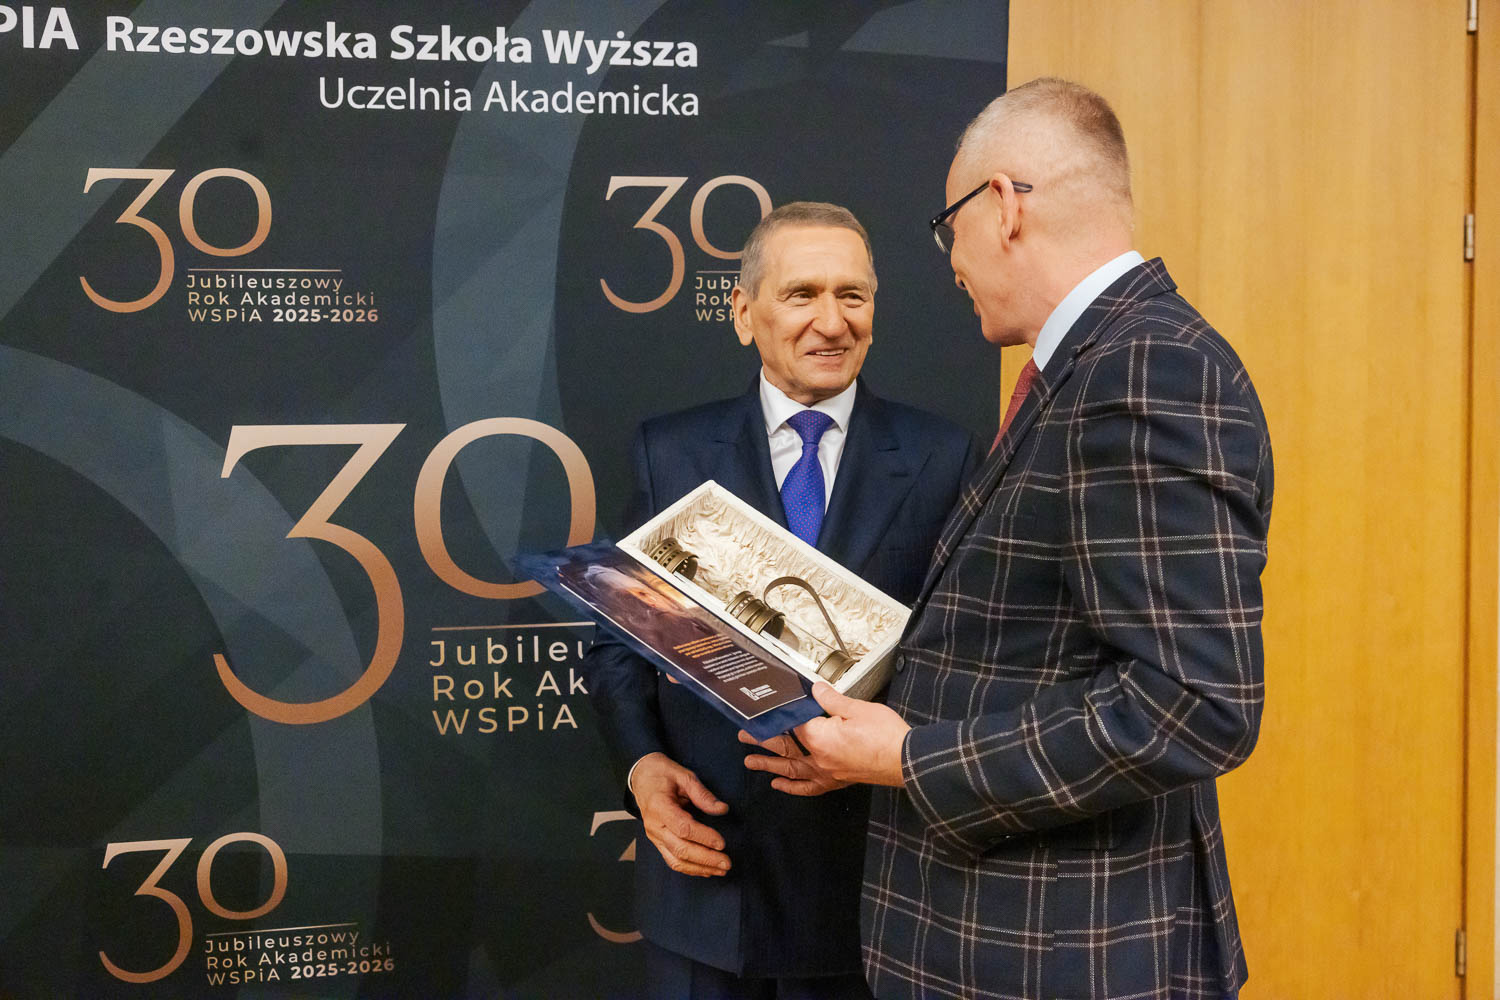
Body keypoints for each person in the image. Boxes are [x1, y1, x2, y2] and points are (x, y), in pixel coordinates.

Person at [746, 79, 1274, 999]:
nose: (951, 261)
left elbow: (1191, 706)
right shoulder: (1091, 366)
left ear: (1002, 205)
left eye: (947, 227)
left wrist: (905, 757)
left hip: (1060, 954)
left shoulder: (1146, 368)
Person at [583, 201, 981, 999]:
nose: (832, 322)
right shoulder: (669, 452)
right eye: (802, 294)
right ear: (743, 313)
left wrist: (886, 750)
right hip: (706, 889)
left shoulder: (944, 456)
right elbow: (619, 639)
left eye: (852, 295)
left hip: (870, 895)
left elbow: (966, 655)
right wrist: (641, 767)